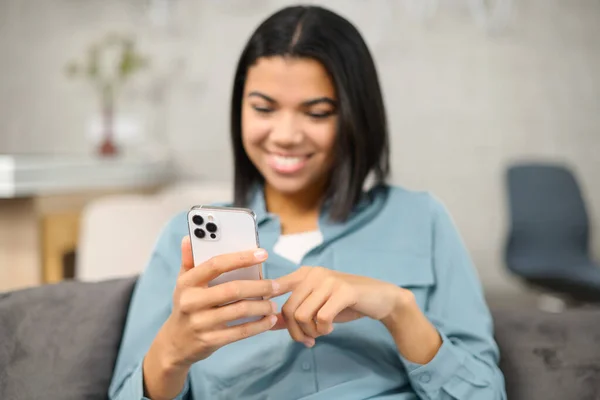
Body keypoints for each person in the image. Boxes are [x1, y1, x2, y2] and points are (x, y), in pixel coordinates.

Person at [109, 5, 506, 400]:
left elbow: (484, 394)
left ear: (356, 116)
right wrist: (172, 354)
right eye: (263, 108)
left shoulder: (422, 219)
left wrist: (398, 309)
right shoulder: (183, 239)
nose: (285, 135)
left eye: (316, 113)